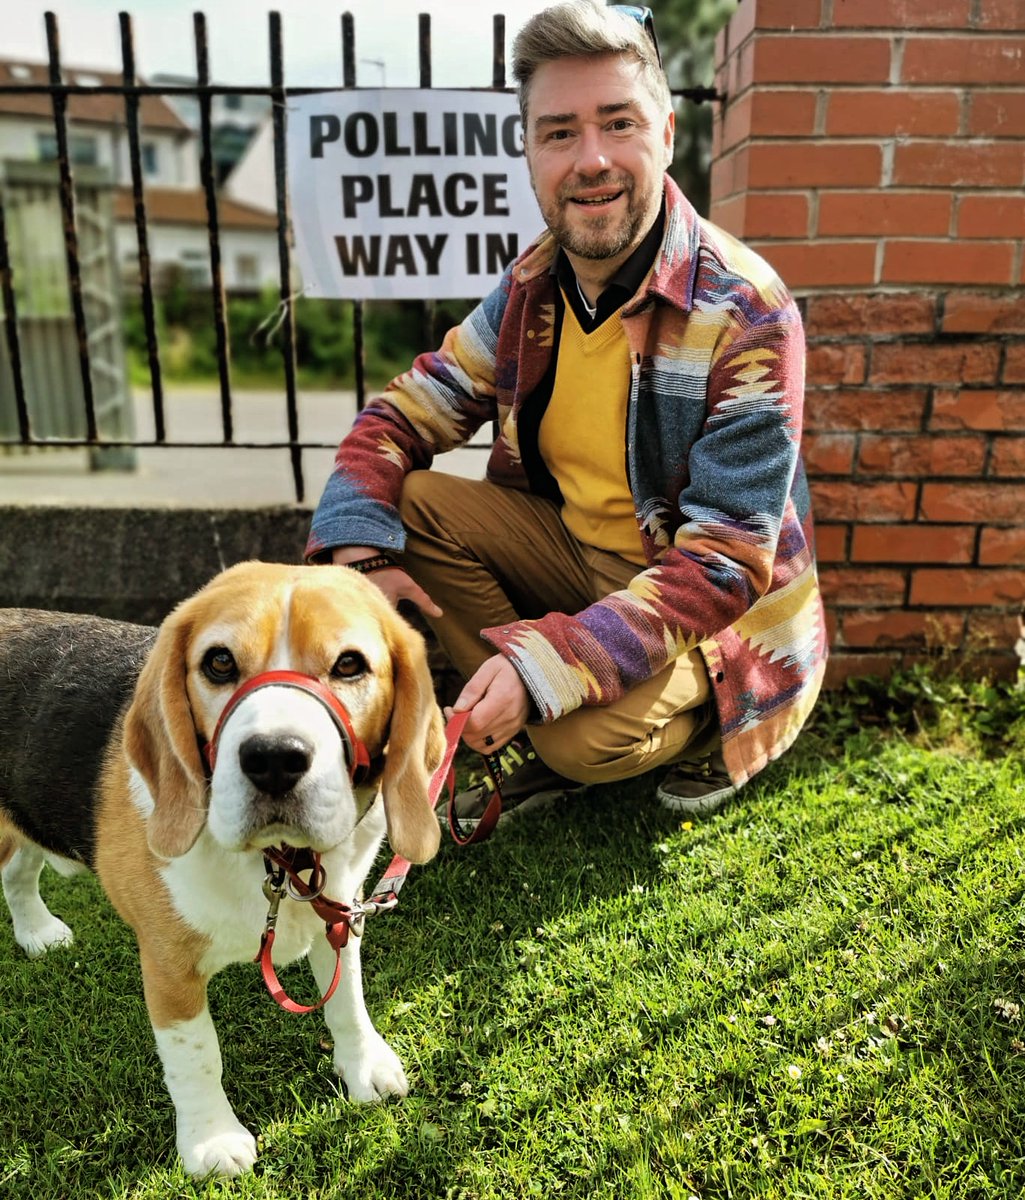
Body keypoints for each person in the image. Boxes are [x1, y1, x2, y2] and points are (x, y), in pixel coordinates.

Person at [306, 0, 827, 826]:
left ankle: (719, 724)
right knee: (408, 502)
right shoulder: (532, 284)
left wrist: (548, 666)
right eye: (558, 132)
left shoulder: (743, 310)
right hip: (573, 557)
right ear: (528, 152)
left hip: (706, 608)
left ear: (665, 134)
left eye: (618, 123)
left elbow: (723, 563)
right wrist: (360, 555)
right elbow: (408, 410)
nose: (591, 160)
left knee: (578, 745)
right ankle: (530, 696)